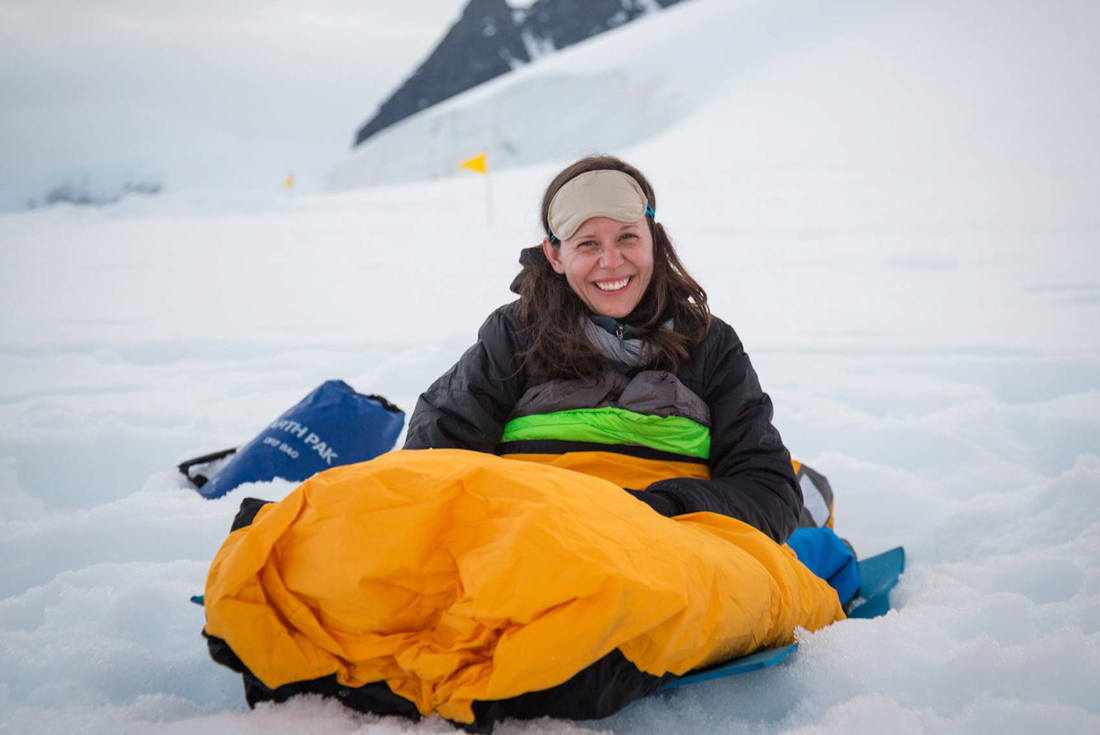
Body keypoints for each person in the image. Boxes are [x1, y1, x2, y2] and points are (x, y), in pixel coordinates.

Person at [404, 155, 802, 543]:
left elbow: (769, 493)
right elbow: (436, 458)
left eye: (627, 237)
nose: (611, 261)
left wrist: (655, 511)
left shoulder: (709, 345)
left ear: (654, 239)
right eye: (588, 244)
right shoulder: (515, 334)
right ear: (555, 255)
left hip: (672, 554)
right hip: (534, 545)